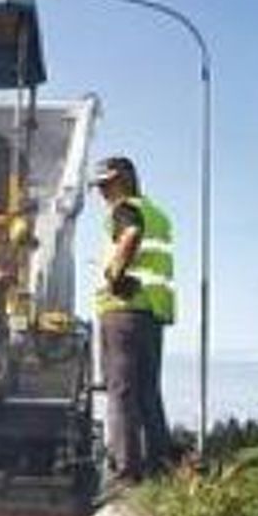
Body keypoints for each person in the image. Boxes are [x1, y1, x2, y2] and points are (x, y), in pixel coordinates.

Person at [93, 155, 175, 486]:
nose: (102, 192)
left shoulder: (124, 209)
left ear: (124, 180)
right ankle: (160, 466)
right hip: (151, 311)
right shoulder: (159, 214)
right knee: (147, 391)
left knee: (121, 391)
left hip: (122, 310)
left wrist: (114, 274)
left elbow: (131, 232)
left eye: (106, 184)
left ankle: (126, 473)